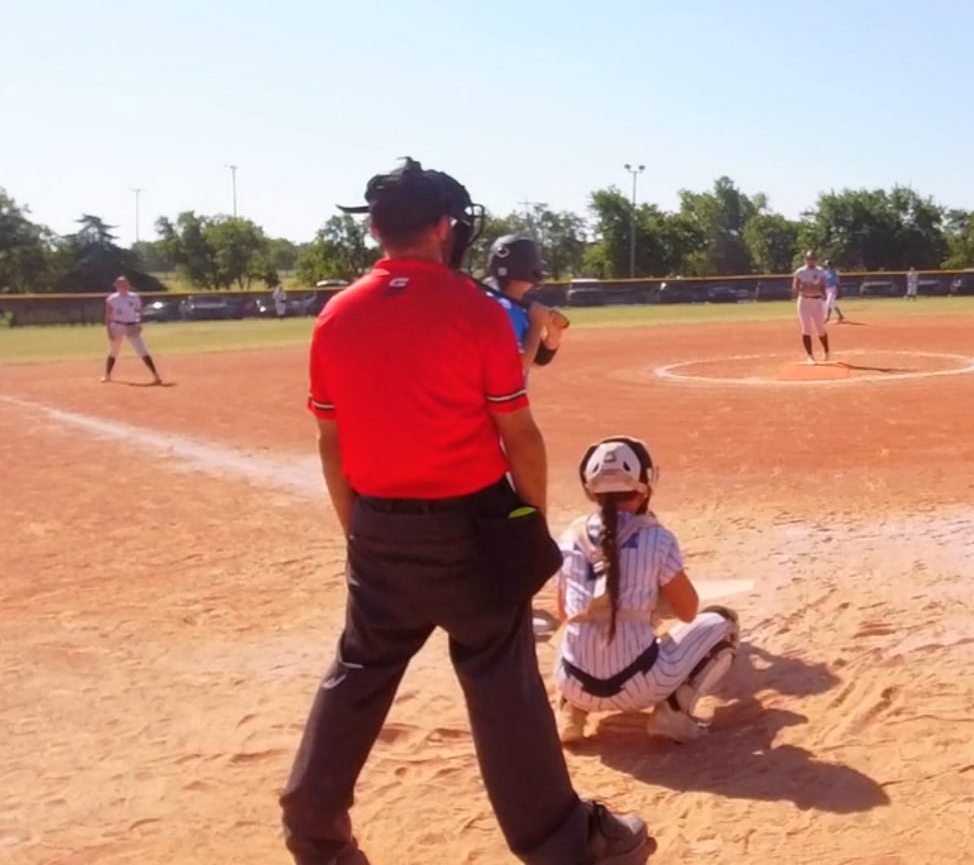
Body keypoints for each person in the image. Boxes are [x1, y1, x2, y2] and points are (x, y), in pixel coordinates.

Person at [279, 158, 647, 865]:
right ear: (444, 227)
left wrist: (361, 531)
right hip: (470, 529)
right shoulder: (474, 310)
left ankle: (313, 830)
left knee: (358, 670)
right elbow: (519, 436)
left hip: (377, 523)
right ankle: (561, 842)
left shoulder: (336, 316)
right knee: (502, 678)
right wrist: (528, 525)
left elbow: (332, 442)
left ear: (376, 230)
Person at [551, 436, 742, 745]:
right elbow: (688, 611)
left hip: (575, 684)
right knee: (724, 623)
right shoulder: (658, 538)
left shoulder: (569, 536)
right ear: (644, 487)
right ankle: (673, 711)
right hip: (642, 686)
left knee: (577, 632)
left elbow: (564, 615)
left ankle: (570, 712)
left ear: (589, 489)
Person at [484, 233, 569, 372]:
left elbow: (538, 359)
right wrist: (537, 324)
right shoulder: (501, 309)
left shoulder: (513, 307)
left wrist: (553, 331)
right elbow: (519, 365)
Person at [102, 276, 163, 385]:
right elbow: (108, 315)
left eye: (124, 284)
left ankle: (155, 376)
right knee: (114, 351)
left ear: (128, 285)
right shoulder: (112, 298)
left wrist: (138, 324)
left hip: (131, 326)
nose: (122, 286)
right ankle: (107, 375)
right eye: (120, 284)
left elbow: (138, 312)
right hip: (117, 325)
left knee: (142, 350)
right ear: (116, 286)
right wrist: (109, 331)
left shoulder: (134, 297)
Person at [792, 251, 833, 364]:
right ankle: (810, 355)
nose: (811, 261)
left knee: (820, 329)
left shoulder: (820, 271)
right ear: (805, 260)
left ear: (816, 260)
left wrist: (819, 289)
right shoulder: (800, 271)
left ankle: (826, 351)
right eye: (809, 259)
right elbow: (795, 286)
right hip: (804, 301)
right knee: (806, 328)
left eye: (813, 259)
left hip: (817, 301)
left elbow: (823, 286)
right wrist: (803, 287)